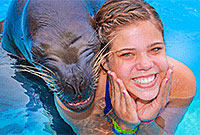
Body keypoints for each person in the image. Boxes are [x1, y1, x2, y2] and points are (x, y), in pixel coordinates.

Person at [55, 0, 196, 134]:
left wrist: (148, 121)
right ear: (105, 61)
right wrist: (125, 126)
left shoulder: (181, 82)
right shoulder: (83, 96)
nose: (146, 65)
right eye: (127, 54)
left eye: (155, 49)